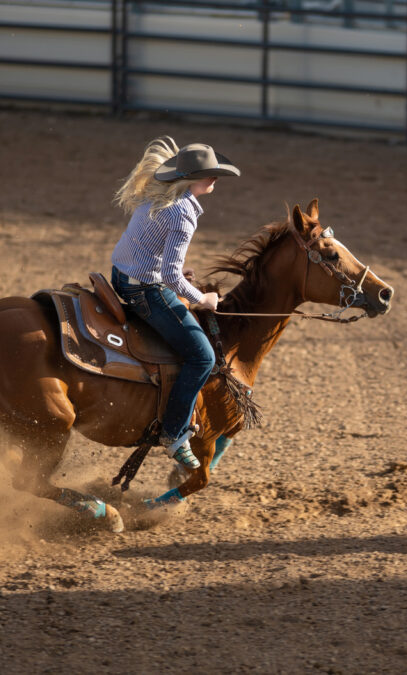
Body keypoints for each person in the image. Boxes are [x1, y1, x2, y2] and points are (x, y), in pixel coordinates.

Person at [110, 137, 240, 471]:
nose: (214, 180)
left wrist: (175, 271)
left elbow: (148, 247)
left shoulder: (162, 198)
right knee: (202, 356)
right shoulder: (183, 214)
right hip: (143, 289)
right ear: (192, 179)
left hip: (122, 275)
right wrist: (204, 299)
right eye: (209, 175)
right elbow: (170, 275)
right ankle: (175, 433)